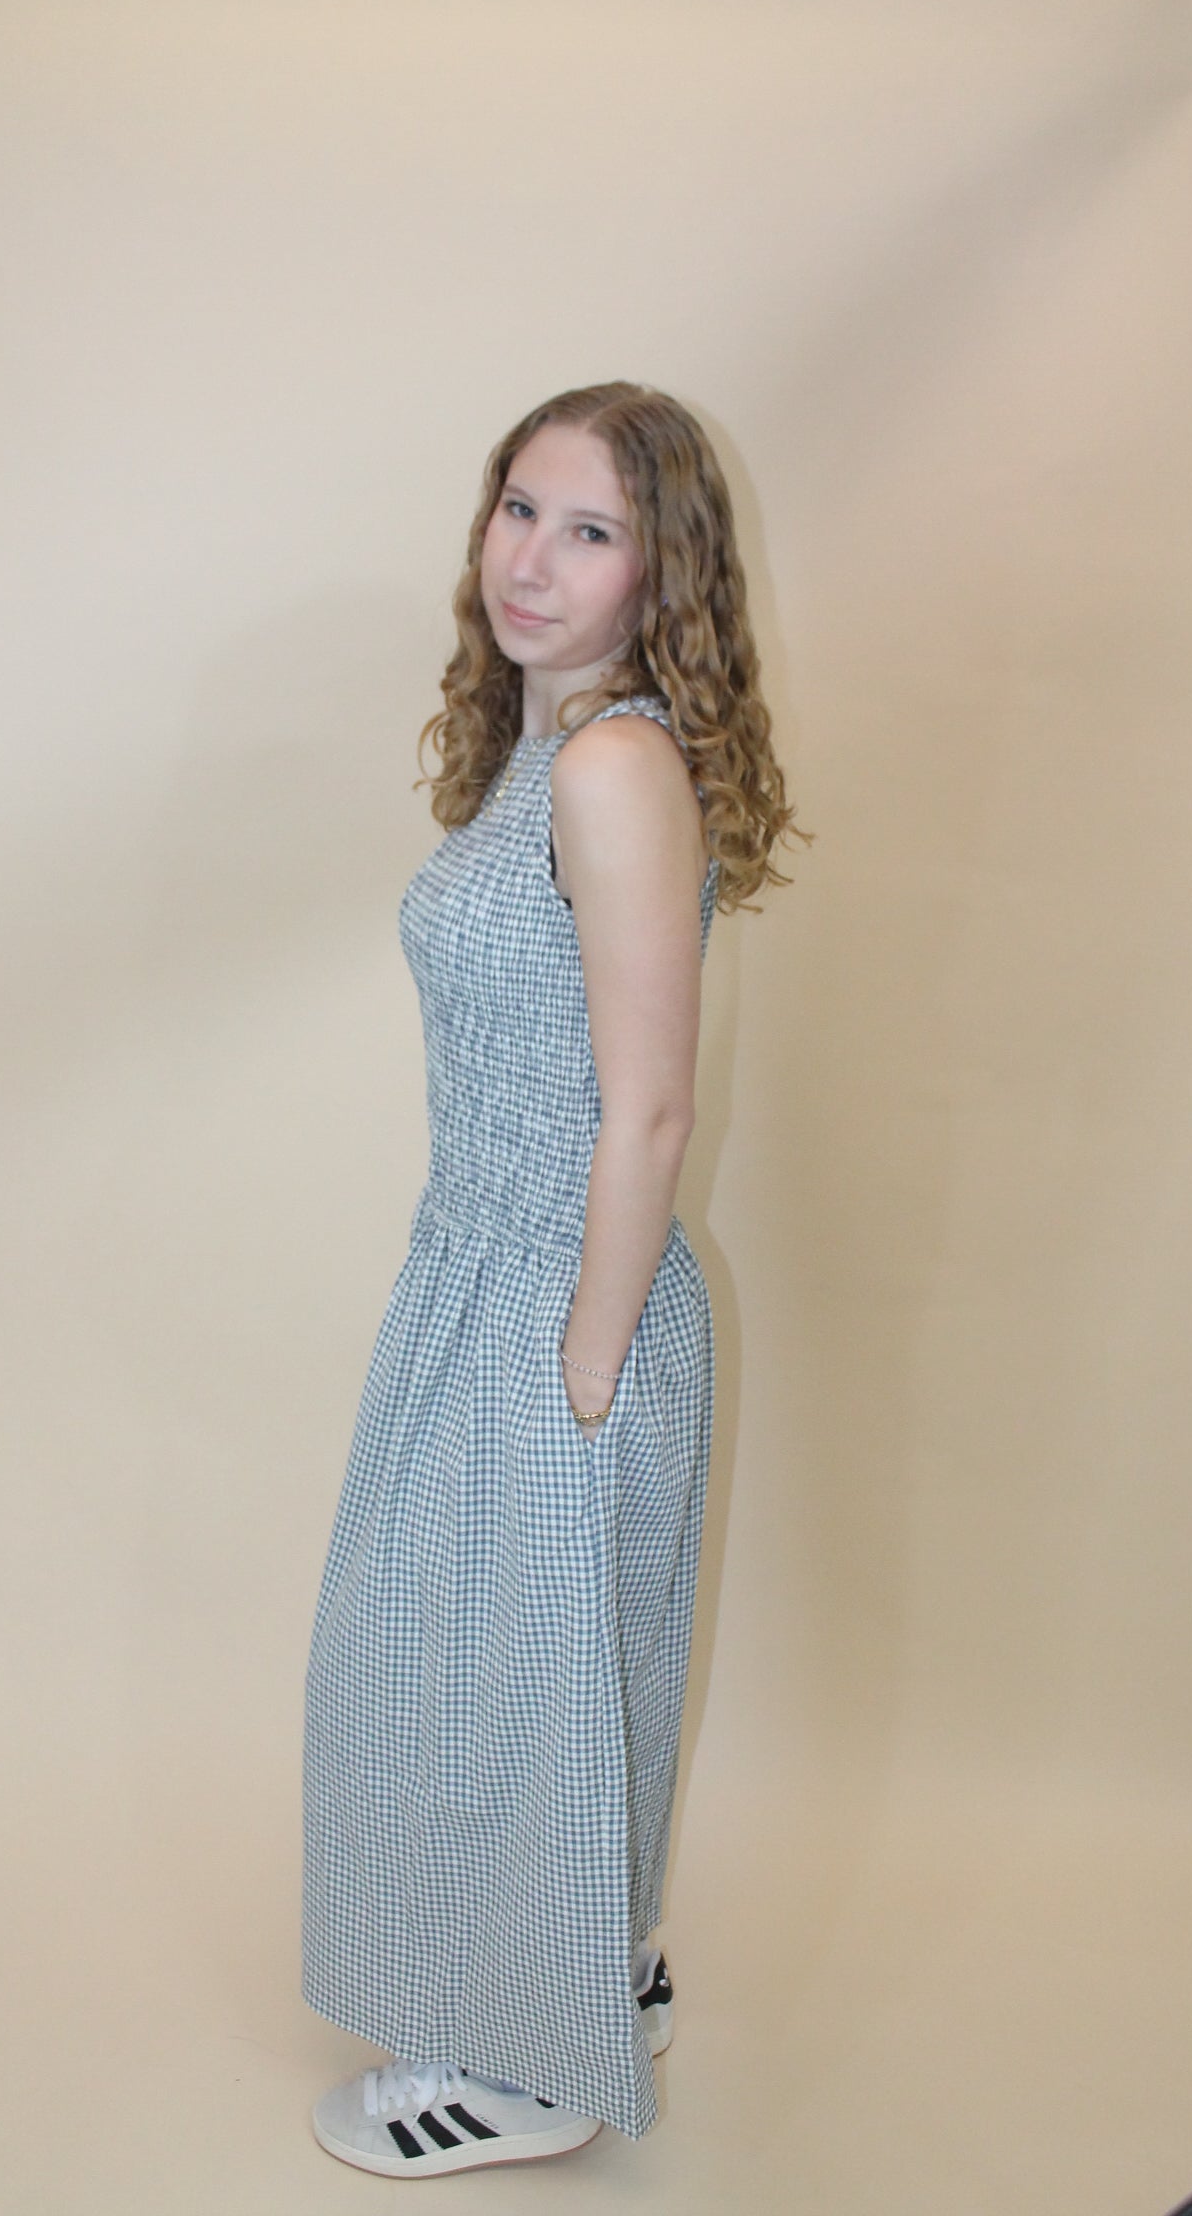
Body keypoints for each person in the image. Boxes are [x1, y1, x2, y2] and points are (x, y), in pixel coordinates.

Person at [301, 381, 806, 2177]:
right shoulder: (553, 746)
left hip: (561, 1292)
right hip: (483, 1273)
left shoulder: (611, 768)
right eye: (520, 507)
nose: (531, 558)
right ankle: (597, 1975)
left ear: (661, 571)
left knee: (525, 1688)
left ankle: (532, 2071)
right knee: (479, 1671)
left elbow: (652, 1109)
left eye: (590, 531)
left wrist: (582, 1369)